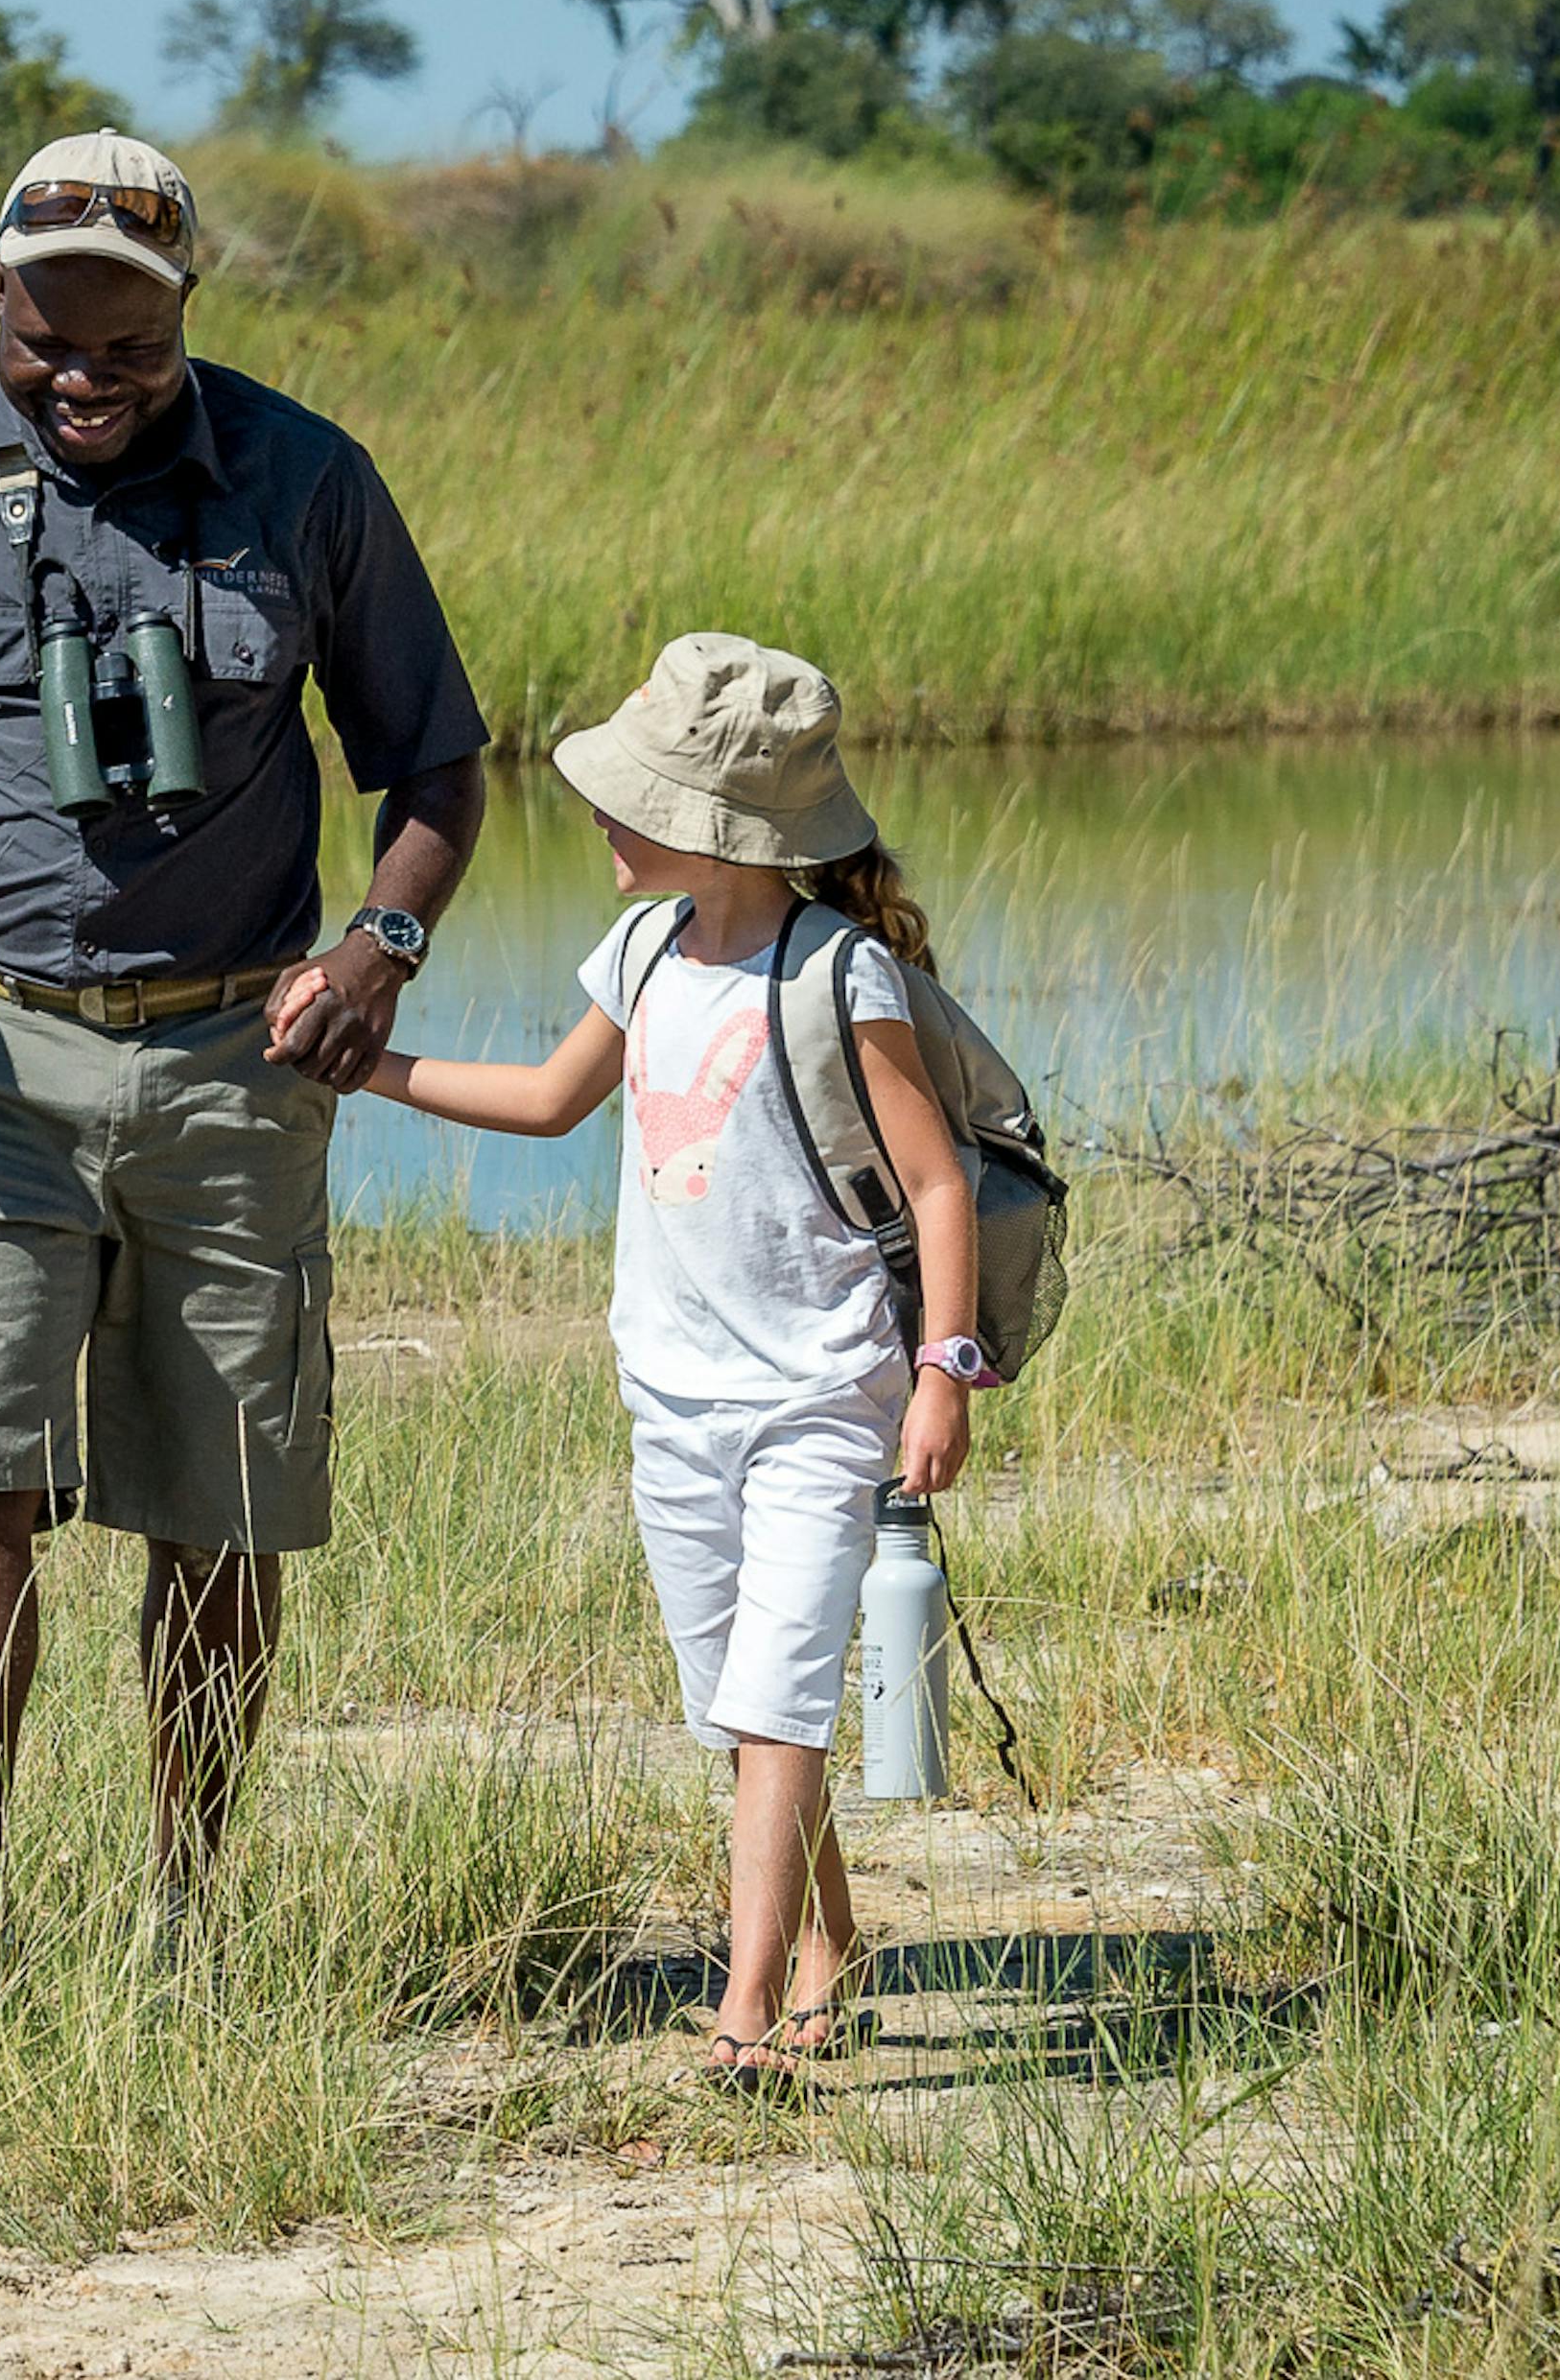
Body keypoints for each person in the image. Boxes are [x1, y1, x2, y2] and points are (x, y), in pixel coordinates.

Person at [0, 129, 486, 2015]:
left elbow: (437, 765)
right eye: (42, 338)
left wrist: (377, 949)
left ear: (183, 311)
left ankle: (186, 1933)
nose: (81, 378)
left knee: (217, 1505)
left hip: (243, 1049)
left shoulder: (308, 480)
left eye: (123, 350)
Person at [277, 632, 981, 2087]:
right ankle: (830, 1942)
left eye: (632, 794)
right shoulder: (647, 947)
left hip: (819, 1393)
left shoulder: (840, 974)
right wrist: (367, 1066)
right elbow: (545, 1098)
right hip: (672, 1393)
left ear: (717, 829)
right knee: (739, 1696)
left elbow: (938, 1190)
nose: (600, 814)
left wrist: (942, 1372)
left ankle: (747, 2019)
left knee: (782, 1691)